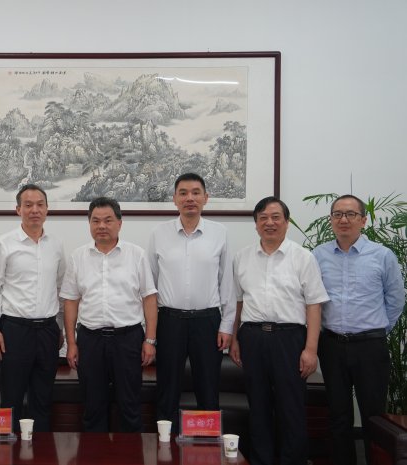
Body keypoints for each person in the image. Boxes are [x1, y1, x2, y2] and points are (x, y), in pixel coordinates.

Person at [230, 196, 328, 465]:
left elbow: (314, 305)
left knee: (291, 407)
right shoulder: (242, 258)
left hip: (289, 338)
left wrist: (310, 349)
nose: (269, 223)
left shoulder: (303, 257)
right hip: (252, 337)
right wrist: (235, 338)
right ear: (256, 224)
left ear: (287, 222)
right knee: (258, 406)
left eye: (275, 217)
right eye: (263, 218)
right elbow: (237, 302)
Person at [312, 194, 405, 465]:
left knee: (372, 415)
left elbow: (395, 300)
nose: (344, 219)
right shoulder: (318, 256)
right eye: (338, 214)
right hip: (331, 345)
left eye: (351, 214)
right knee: (338, 414)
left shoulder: (382, 255)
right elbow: (312, 299)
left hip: (370, 347)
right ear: (331, 220)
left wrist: (376, 331)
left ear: (363, 220)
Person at [147, 173, 235, 431]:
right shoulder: (159, 233)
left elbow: (227, 282)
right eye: (183, 193)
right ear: (175, 199)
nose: (190, 198)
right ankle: (165, 444)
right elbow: (150, 284)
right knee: (167, 388)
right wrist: (150, 330)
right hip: (169, 320)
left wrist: (227, 326)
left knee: (208, 388)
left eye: (196, 192)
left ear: (206, 198)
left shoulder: (220, 233)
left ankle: (207, 445)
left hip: (207, 321)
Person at [61, 197, 157, 432]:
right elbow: (71, 301)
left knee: (130, 406)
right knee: (93, 407)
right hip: (90, 339)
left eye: (108, 220)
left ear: (119, 223)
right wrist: (71, 343)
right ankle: (94, 452)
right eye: (95, 221)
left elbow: (149, 298)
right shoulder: (78, 256)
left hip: (128, 339)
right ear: (89, 224)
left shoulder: (136, 254)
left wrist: (150, 340)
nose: (101, 226)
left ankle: (130, 451)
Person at [0, 183, 65, 433]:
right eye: (28, 205)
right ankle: (9, 450)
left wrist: (60, 327)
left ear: (47, 209)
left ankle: (40, 451)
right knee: (12, 397)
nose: (34, 210)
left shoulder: (56, 245)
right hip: (14, 330)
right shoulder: (4, 244)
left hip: (48, 330)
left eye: (40, 205)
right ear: (18, 209)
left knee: (43, 398)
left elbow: (60, 288)